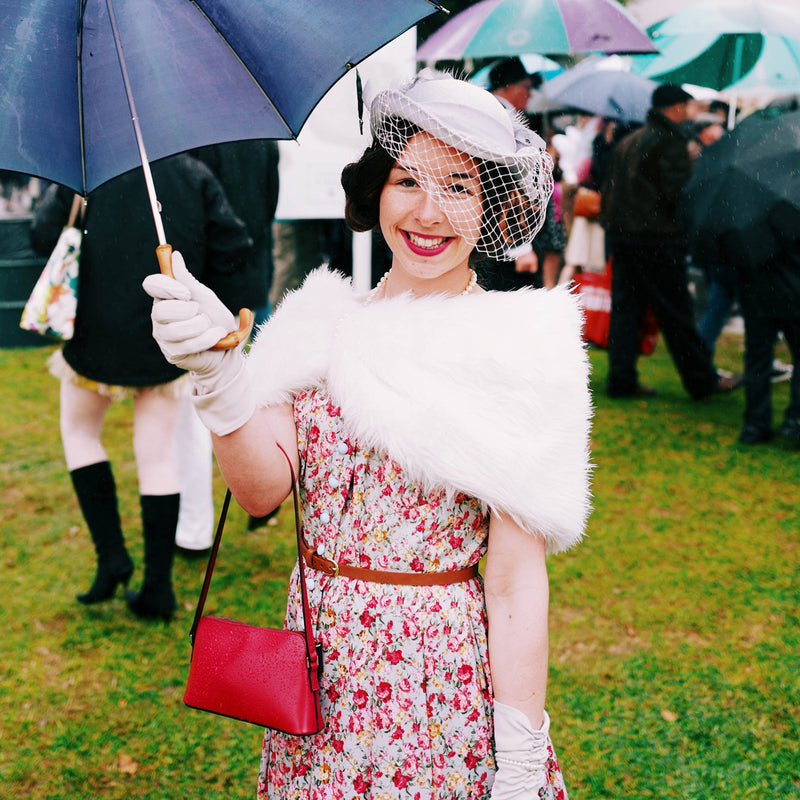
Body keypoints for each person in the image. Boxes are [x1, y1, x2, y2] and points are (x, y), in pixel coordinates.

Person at [144, 70, 591, 799]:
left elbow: (512, 583)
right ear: (377, 191)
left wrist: (517, 757)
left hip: (436, 684)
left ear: (491, 211)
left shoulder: (519, 350)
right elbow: (260, 491)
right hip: (317, 674)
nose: (430, 211)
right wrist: (216, 375)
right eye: (409, 181)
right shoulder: (319, 324)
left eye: (459, 187)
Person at [30, 153, 252, 620]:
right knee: (157, 457)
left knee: (79, 434)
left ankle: (112, 557)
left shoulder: (85, 173)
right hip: (161, 338)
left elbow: (41, 237)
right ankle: (157, 589)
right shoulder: (191, 173)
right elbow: (234, 244)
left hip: (93, 337)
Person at [601, 83, 741, 399]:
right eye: (689, 107)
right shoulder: (669, 141)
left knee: (627, 311)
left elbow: (611, 189)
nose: (692, 114)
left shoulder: (631, 140)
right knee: (676, 313)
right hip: (656, 239)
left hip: (624, 237)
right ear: (676, 108)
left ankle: (621, 380)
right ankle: (701, 380)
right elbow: (677, 194)